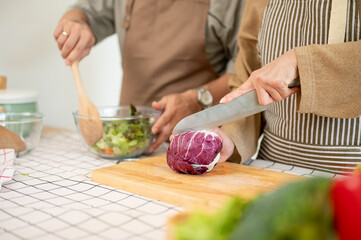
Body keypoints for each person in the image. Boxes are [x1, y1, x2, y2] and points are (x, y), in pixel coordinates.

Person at [54, 0, 245, 153]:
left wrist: (198, 99)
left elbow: (244, 71)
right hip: (128, 145)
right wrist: (75, 23)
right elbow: (85, 11)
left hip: (198, 148)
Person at [218, 0, 361, 174]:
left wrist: (301, 63)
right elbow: (248, 72)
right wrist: (230, 137)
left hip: (351, 179)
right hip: (270, 173)